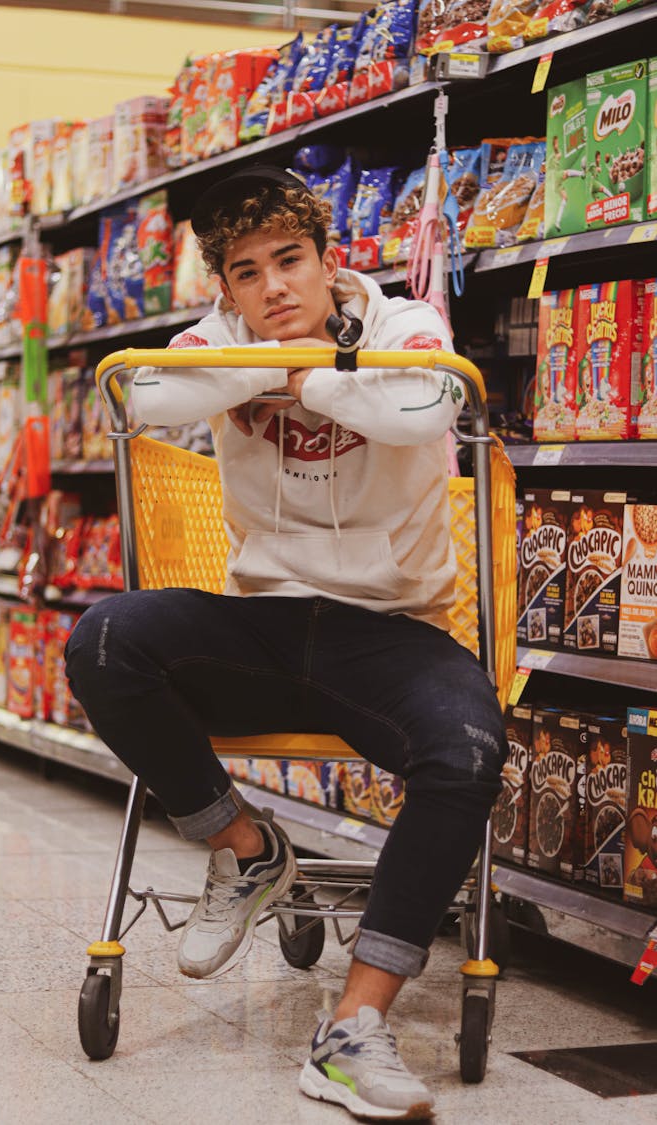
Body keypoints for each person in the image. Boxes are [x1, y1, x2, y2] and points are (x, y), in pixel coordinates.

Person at [65, 165, 508, 1122]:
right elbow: (140, 400)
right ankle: (250, 846)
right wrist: (273, 363)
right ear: (224, 287)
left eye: (290, 261)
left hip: (394, 633)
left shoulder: (400, 327)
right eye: (247, 271)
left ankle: (353, 1027)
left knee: (467, 750)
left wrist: (308, 372)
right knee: (103, 640)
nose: (274, 287)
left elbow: (425, 408)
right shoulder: (216, 340)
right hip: (260, 624)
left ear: (327, 259)